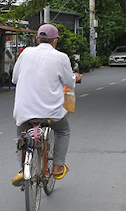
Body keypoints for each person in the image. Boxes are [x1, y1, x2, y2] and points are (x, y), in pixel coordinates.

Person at [10, 23, 81, 186]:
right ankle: (57, 167)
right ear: (55, 41)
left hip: (25, 112)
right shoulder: (61, 57)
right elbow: (69, 81)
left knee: (22, 134)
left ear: (37, 39)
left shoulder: (26, 53)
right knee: (63, 131)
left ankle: (23, 170)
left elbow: (14, 79)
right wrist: (76, 77)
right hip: (51, 114)